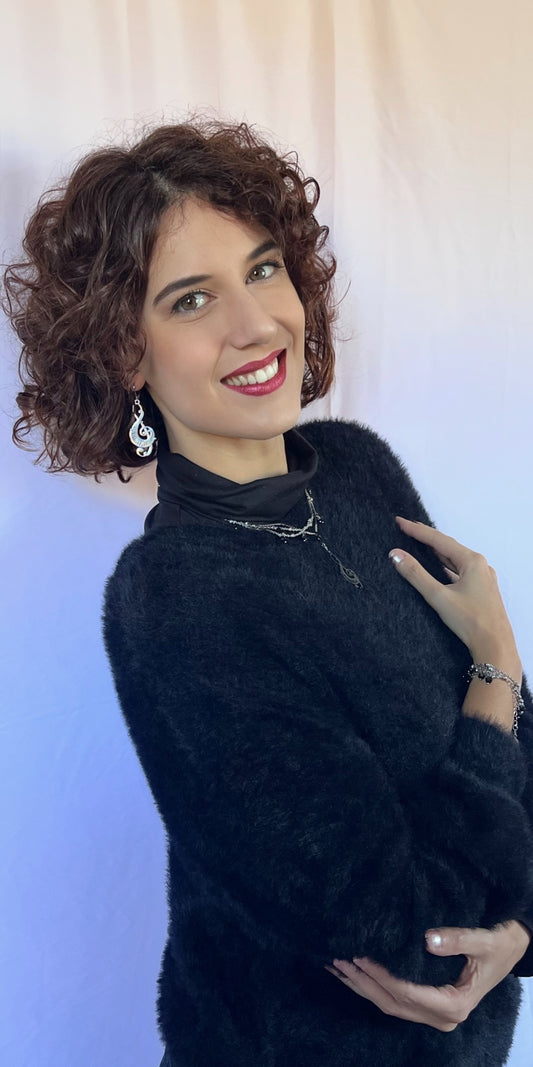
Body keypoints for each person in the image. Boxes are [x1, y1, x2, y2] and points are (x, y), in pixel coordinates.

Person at [4, 118, 533, 1067]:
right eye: (191, 299)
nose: (255, 324)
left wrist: (522, 927)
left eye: (261, 269)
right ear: (126, 354)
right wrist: (495, 663)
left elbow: (519, 763)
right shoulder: (175, 602)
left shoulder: (356, 469)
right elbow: (400, 930)